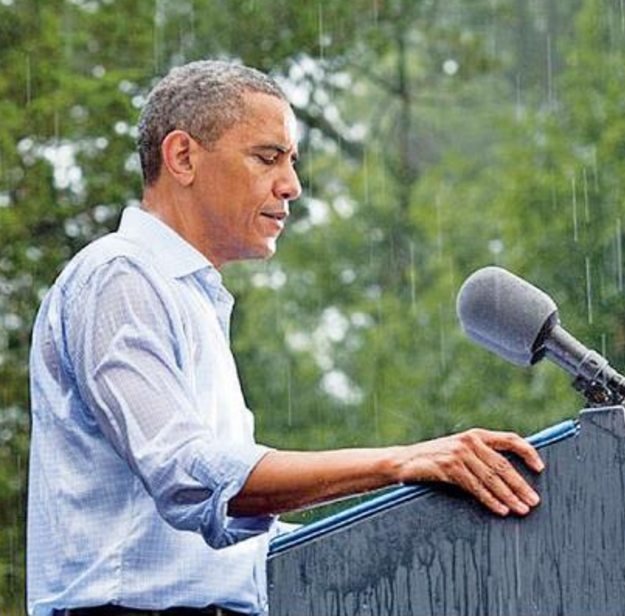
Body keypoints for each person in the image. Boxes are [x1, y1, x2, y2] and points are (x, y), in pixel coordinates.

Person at [27, 61, 544, 616]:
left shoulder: (191, 295)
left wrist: (428, 525)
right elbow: (190, 474)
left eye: (291, 162)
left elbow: (234, 543)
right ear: (182, 157)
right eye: (267, 157)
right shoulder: (120, 277)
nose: (291, 186)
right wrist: (401, 462)